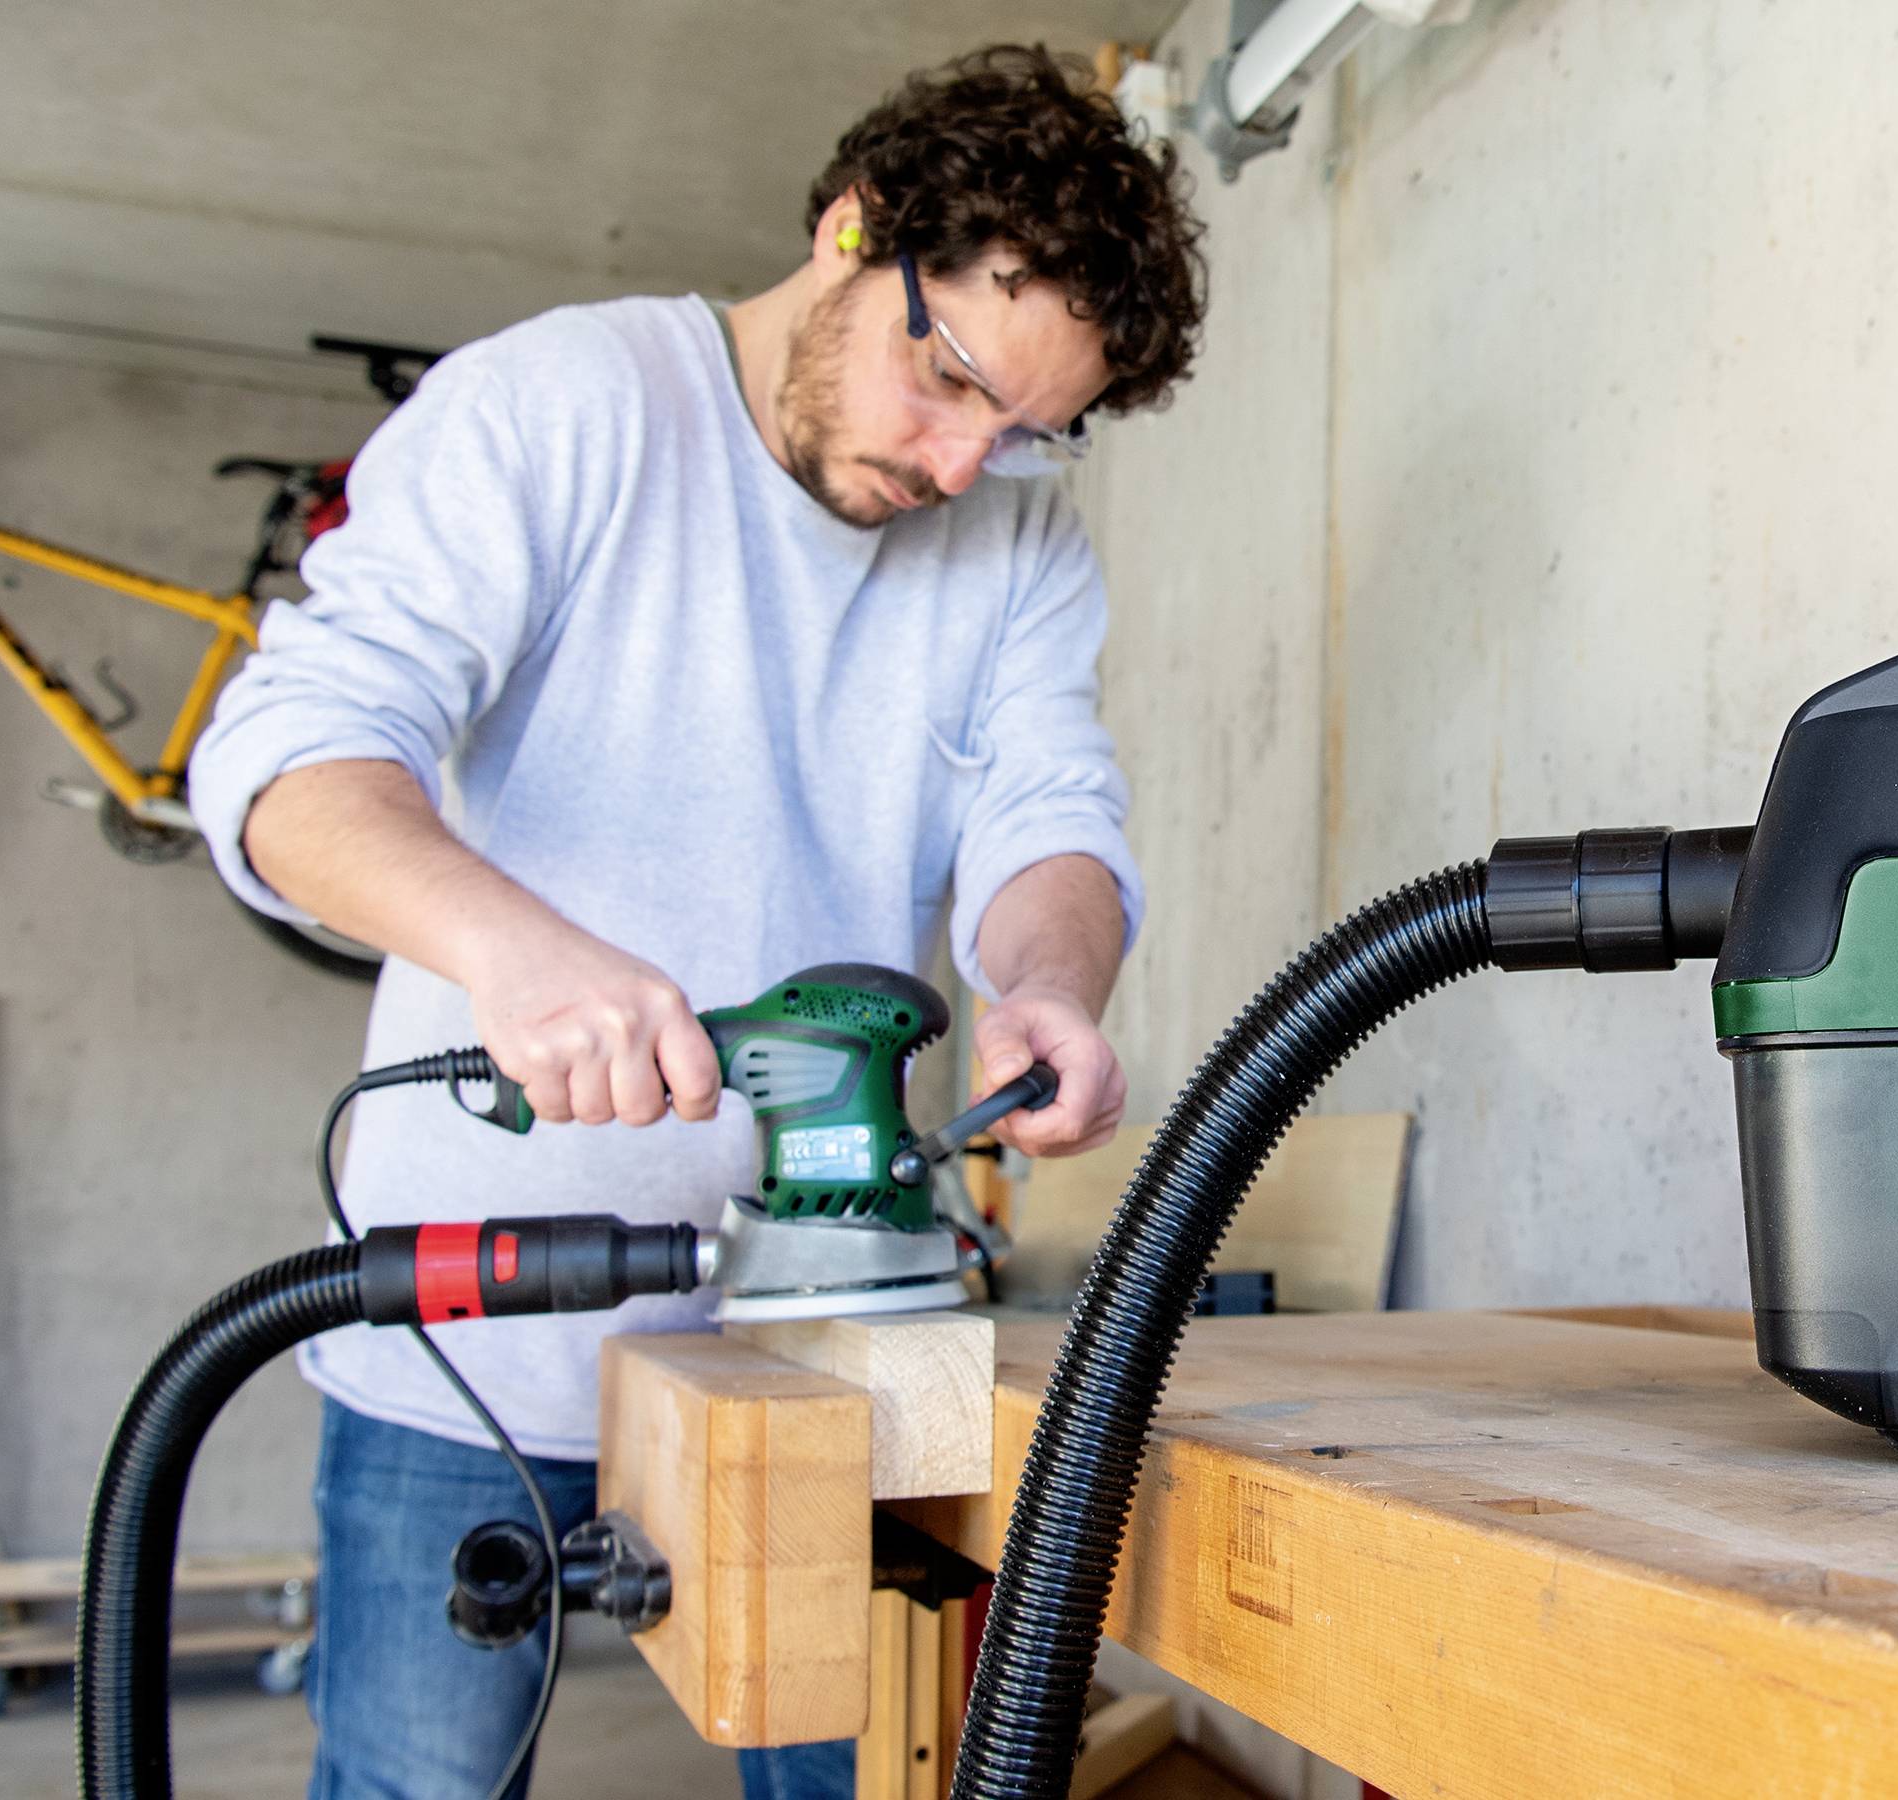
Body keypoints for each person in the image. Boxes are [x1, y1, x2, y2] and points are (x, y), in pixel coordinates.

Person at [189, 43, 1206, 1799]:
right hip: (474, 1341)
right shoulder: (561, 407)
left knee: (880, 1777)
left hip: (847, 1335)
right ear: (852, 228)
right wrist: (515, 953)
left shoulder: (1019, 538)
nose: (965, 464)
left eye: (1030, 430)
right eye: (946, 375)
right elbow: (285, 759)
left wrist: (1047, 985)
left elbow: (1051, 817)